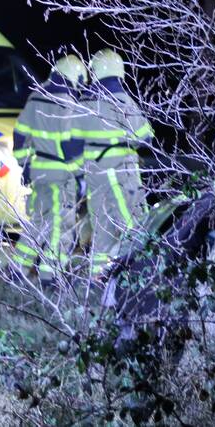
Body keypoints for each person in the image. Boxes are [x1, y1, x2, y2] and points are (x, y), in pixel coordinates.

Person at [10, 54, 87, 280]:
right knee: (61, 227)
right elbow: (70, 144)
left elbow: (19, 134)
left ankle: (17, 270)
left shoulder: (35, 99)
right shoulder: (70, 104)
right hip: (62, 174)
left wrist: (24, 166)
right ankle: (50, 277)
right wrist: (80, 177)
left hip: (38, 170)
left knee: (39, 223)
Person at [77, 50, 153, 276]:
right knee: (137, 224)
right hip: (121, 173)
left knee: (103, 229)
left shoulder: (84, 102)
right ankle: (145, 273)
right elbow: (144, 137)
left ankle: (99, 277)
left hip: (94, 174)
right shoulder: (121, 99)